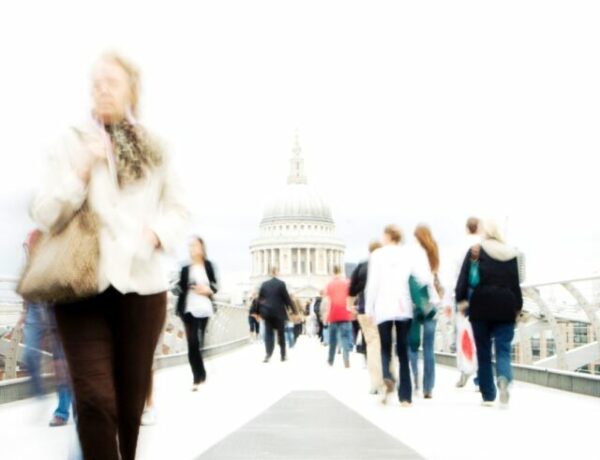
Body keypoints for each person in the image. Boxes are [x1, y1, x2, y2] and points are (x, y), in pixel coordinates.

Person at [30, 52, 188, 460]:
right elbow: (44, 210)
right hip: (80, 286)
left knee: (129, 405)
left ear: (131, 90)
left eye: (111, 82)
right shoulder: (68, 142)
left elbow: (178, 209)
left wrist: (155, 234)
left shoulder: (157, 147)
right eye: (96, 82)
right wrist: (82, 169)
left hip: (142, 286)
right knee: (96, 399)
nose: (101, 89)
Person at [455, 219, 523, 407]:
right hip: (506, 305)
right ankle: (503, 378)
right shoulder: (511, 253)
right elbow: (515, 284)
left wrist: (460, 300)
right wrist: (518, 306)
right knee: (503, 349)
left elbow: (464, 279)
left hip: (480, 304)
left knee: (483, 352)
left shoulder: (476, 251)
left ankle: (488, 394)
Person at [365, 225, 426, 407]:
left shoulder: (377, 255)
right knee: (403, 351)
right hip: (403, 306)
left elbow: (373, 284)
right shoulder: (408, 254)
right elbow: (421, 278)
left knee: (385, 348)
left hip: (383, 307)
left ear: (389, 236)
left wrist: (369, 308)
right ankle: (405, 397)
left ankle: (387, 378)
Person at [408, 225, 446, 399]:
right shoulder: (433, 252)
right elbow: (436, 278)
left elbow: (410, 278)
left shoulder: (412, 253)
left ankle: (415, 378)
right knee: (429, 348)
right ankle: (428, 387)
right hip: (432, 302)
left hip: (416, 303)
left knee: (413, 346)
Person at [176, 237, 218, 391]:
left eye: (196, 246)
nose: (193, 248)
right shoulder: (185, 269)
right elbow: (179, 288)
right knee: (192, 343)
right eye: (191, 246)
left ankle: (201, 374)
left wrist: (207, 290)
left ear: (202, 248)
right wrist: (187, 286)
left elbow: (215, 285)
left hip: (204, 308)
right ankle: (197, 377)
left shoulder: (208, 266)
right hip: (188, 309)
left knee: (198, 343)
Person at [350, 241, 384, 393]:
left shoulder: (362, 266)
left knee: (372, 346)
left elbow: (352, 289)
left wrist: (350, 305)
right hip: (385, 311)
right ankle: (389, 376)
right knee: (387, 345)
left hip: (365, 310)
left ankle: (375, 383)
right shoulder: (387, 266)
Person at [454, 217, 481, 388]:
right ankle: (480, 377)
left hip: (464, 295)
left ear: (466, 228)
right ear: (479, 228)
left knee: (463, 333)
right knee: (482, 335)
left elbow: (456, 272)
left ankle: (464, 369)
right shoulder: (484, 243)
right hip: (483, 295)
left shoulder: (459, 245)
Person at [257, 266, 294, 362]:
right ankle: (283, 355)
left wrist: (258, 312)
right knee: (281, 335)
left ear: (270, 273)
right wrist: (293, 310)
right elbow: (287, 299)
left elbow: (260, 299)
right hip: (279, 313)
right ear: (277, 272)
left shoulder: (264, 284)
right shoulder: (281, 284)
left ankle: (268, 354)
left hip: (267, 313)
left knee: (268, 334)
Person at [324, 266, 353, 368]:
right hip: (344, 313)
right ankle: (346, 359)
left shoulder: (329, 284)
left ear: (333, 272)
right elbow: (349, 298)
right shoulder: (347, 283)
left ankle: (330, 360)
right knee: (345, 337)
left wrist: (326, 315)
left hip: (333, 313)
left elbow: (328, 301)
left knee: (332, 339)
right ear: (341, 271)